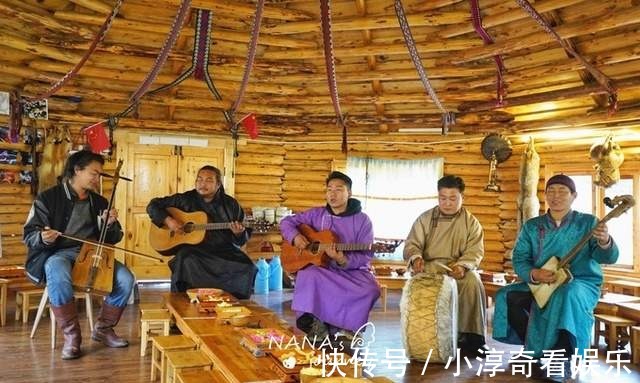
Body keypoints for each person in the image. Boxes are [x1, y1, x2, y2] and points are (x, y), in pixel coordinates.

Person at [493, 174, 618, 382]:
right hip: (542, 281)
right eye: (551, 191)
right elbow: (520, 259)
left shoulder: (588, 223)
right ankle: (535, 350)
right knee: (507, 296)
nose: (556, 196)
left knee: (566, 295)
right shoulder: (533, 226)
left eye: (562, 191)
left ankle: (560, 361)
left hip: (581, 282)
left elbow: (608, 257)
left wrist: (605, 241)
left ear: (574, 195)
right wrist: (534, 274)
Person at [23, 150, 134, 360]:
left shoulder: (100, 201)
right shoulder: (48, 198)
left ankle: (103, 329)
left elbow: (113, 237)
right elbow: (29, 236)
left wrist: (109, 225)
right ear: (77, 170)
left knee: (126, 279)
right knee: (56, 270)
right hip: (59, 253)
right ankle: (72, 336)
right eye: (94, 173)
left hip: (93, 253)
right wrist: (44, 238)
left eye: (100, 174)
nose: (97, 179)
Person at [280, 171, 380, 344]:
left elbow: (365, 256)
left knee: (371, 288)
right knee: (308, 274)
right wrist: (295, 237)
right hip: (323, 268)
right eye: (329, 189)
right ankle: (316, 324)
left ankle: (349, 327)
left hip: (352, 270)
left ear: (349, 193)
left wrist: (342, 259)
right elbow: (286, 222)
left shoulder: (363, 220)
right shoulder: (316, 214)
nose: (332, 194)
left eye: (339, 189)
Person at [403, 174, 488, 356]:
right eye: (443, 198)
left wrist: (463, 266)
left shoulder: (471, 223)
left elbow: (475, 250)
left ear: (462, 198)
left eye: (453, 198)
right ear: (438, 197)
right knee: (420, 285)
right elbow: (412, 244)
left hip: (456, 269)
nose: (447, 203)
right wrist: (416, 258)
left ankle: (472, 338)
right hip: (430, 267)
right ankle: (425, 337)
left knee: (473, 282)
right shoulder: (425, 219)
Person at [146, 165, 256, 299]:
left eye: (209, 180)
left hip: (223, 251)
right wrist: (168, 220)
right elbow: (153, 205)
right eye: (199, 179)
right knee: (185, 259)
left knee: (247, 266)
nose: (202, 184)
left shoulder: (230, 204)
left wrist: (238, 233)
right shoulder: (185, 199)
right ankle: (182, 304)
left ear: (218, 184)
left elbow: (241, 239)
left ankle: (229, 304)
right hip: (194, 250)